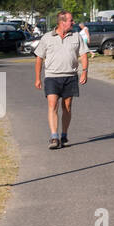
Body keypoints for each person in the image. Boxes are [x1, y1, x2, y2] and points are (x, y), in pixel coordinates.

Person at [34, 11, 89, 149]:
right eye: (71, 20)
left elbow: (83, 55)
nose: (73, 22)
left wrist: (84, 72)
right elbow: (39, 58)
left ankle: (64, 135)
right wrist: (37, 78)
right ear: (62, 22)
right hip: (52, 76)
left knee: (67, 106)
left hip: (70, 76)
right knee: (52, 105)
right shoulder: (47, 38)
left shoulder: (76, 36)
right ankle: (54, 137)